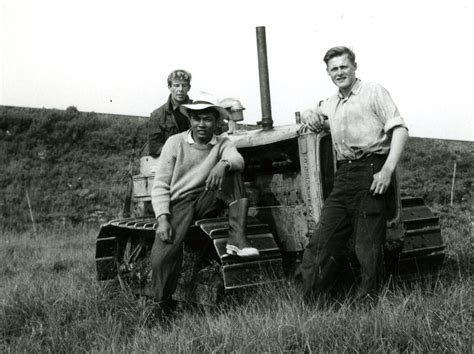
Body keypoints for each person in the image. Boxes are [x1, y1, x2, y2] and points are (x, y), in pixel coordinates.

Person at [299, 46, 409, 301]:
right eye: (334, 69)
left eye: (343, 67)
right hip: (344, 175)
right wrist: (308, 113)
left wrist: (386, 171)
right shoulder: (332, 102)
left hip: (372, 171)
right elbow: (312, 110)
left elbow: (400, 130)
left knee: (367, 248)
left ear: (354, 67)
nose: (339, 72)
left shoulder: (373, 91)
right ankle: (312, 306)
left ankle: (370, 305)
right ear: (328, 73)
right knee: (320, 243)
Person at [149, 92, 259, 306]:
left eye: (207, 118)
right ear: (189, 119)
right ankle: (162, 304)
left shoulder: (222, 143)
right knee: (162, 255)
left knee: (233, 171)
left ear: (216, 122)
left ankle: (237, 238)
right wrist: (162, 218)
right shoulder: (175, 143)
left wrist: (222, 165)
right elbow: (161, 183)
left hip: (207, 199)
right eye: (197, 118)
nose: (202, 124)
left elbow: (236, 159)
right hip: (180, 203)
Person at [148, 69, 193, 158]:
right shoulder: (157, 115)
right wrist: (177, 151)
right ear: (169, 87)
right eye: (176, 85)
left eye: (183, 85)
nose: (180, 89)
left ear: (189, 87)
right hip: (169, 159)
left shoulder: (198, 109)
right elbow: (154, 147)